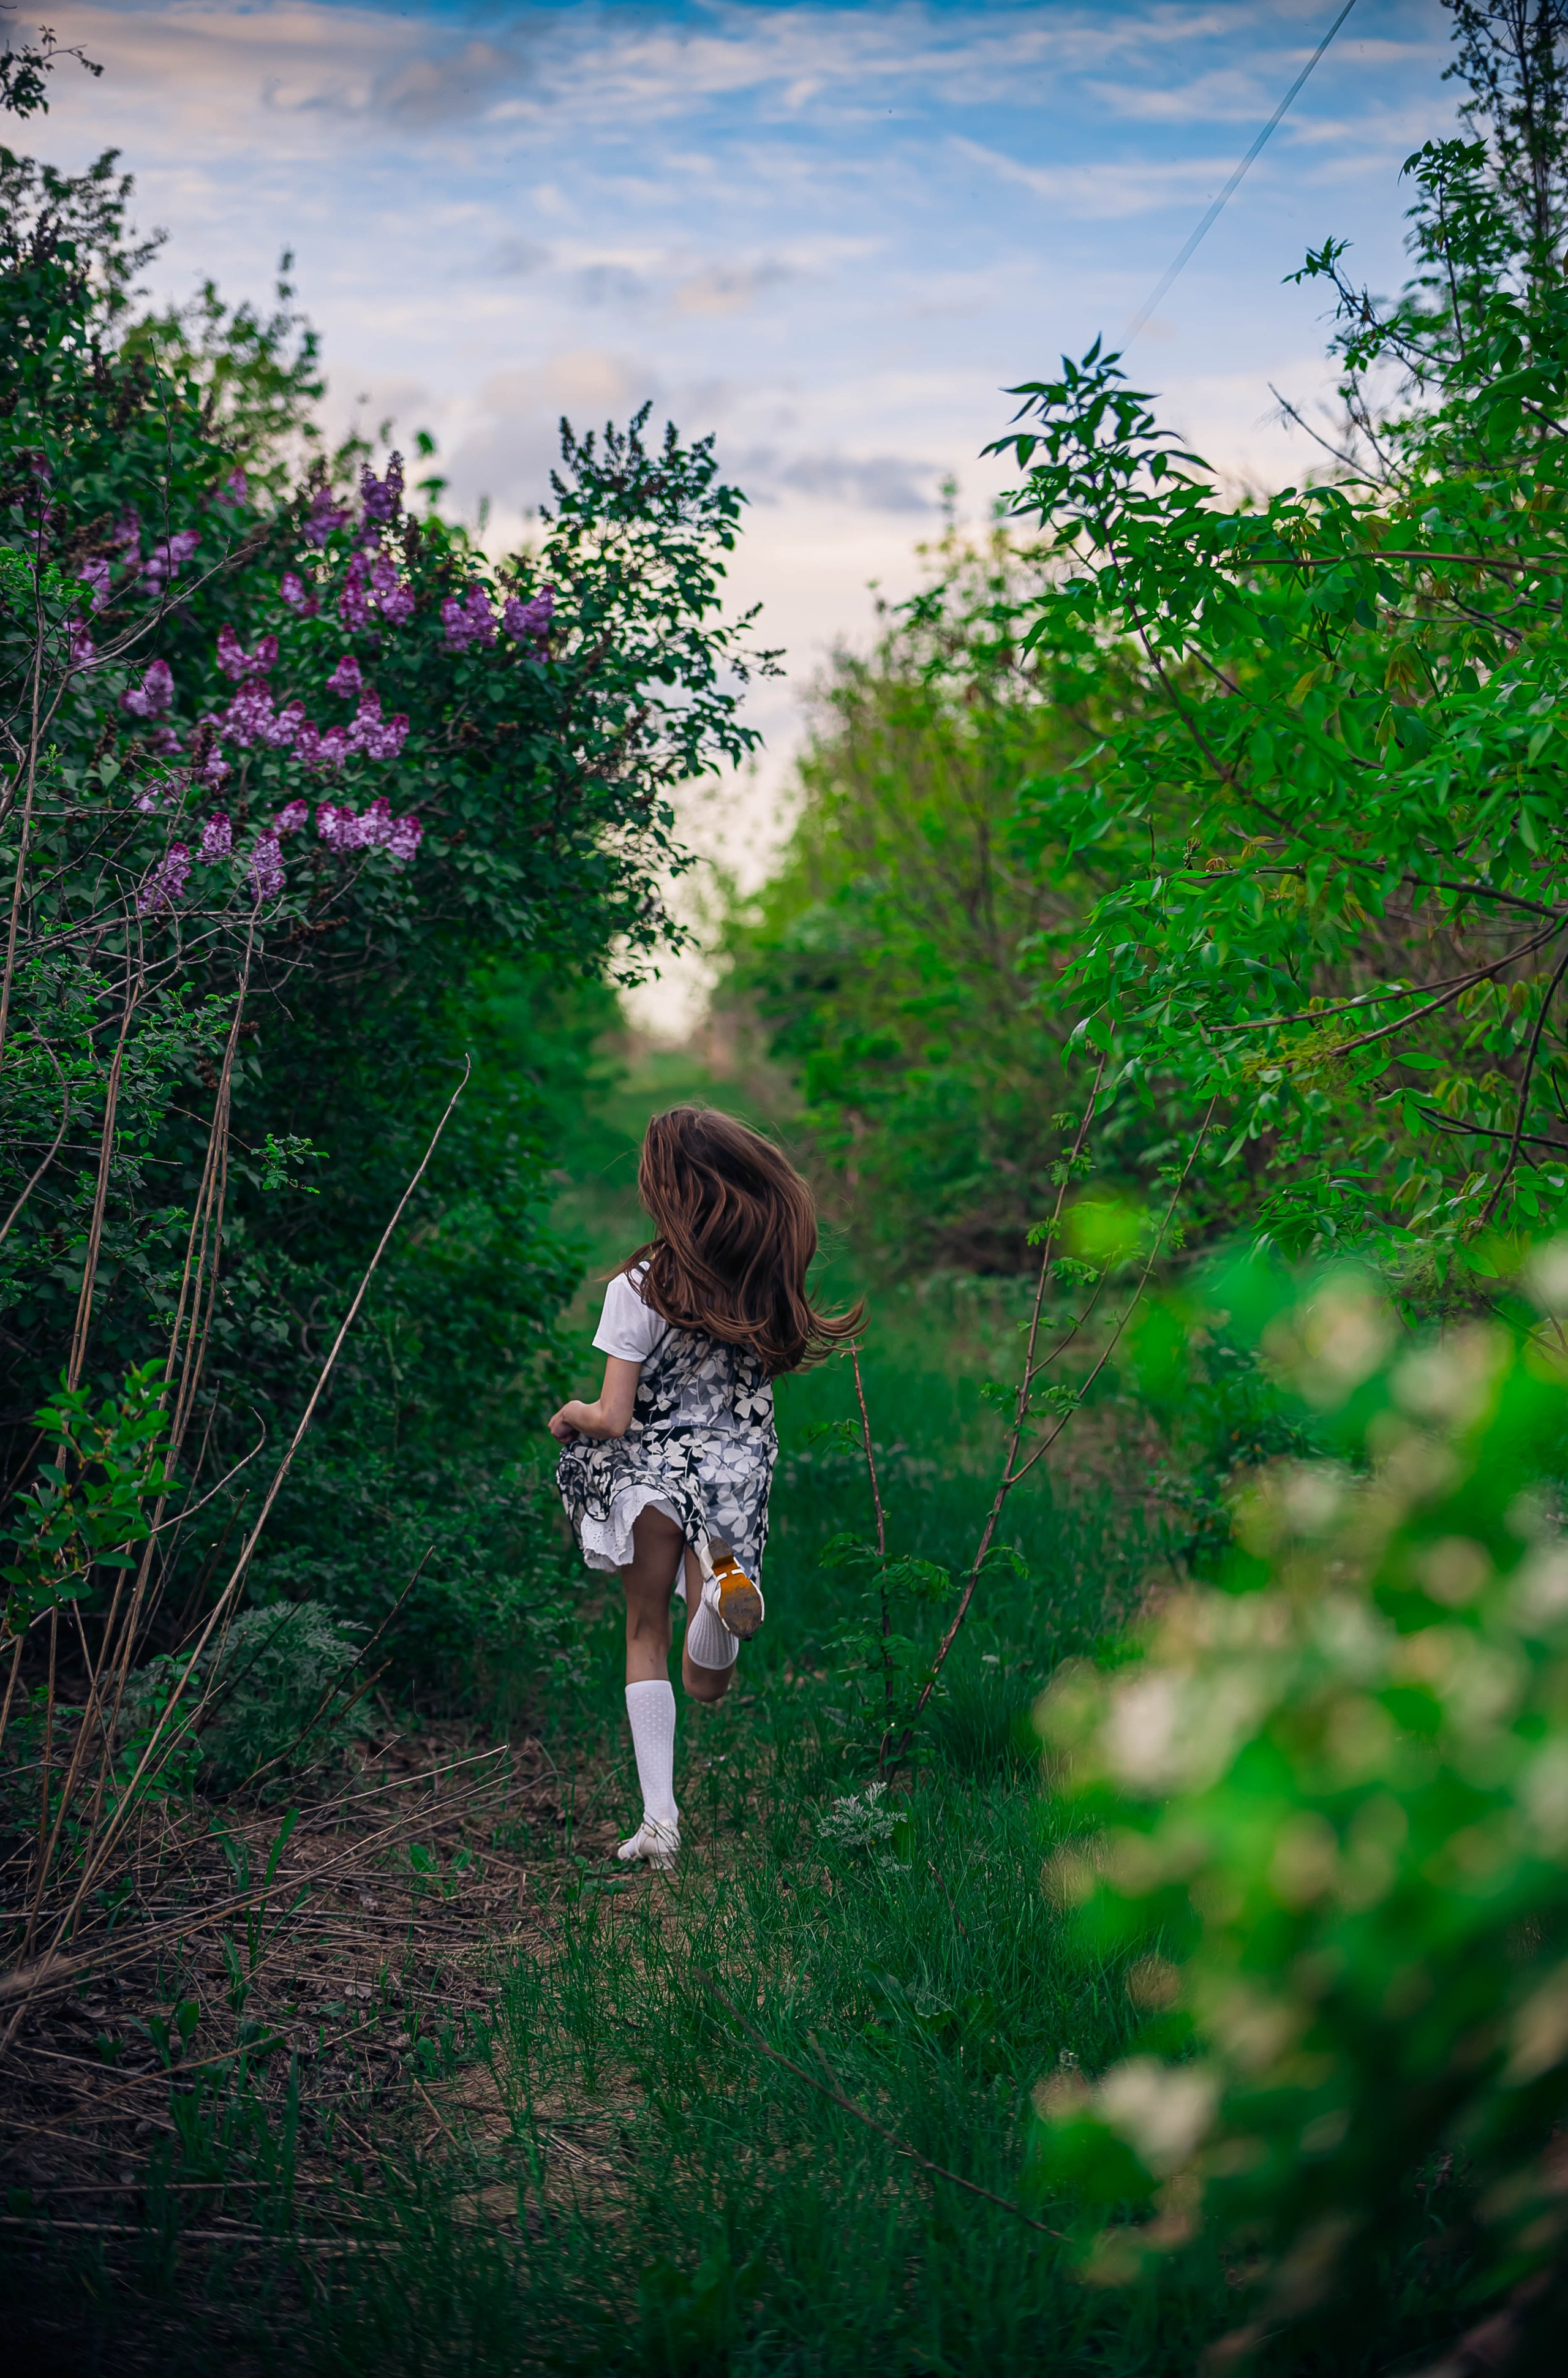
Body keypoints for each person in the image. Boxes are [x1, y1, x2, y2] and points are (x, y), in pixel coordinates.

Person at [549, 1107, 860, 1870]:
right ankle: (718, 1601)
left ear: (667, 1189)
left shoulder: (638, 1285)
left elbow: (614, 1417)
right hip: (733, 1474)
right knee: (709, 1684)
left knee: (642, 1630)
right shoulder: (762, 1281)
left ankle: (660, 1821)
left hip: (650, 1477)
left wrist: (570, 1415)